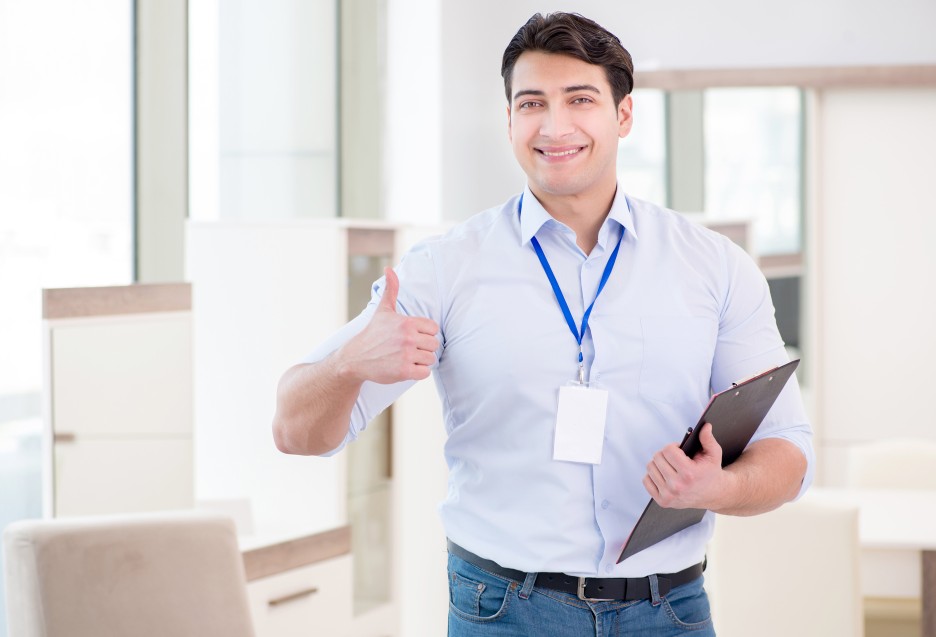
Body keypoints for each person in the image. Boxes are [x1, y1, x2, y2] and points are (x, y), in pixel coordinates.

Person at [273, 11, 814, 636]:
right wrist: (347, 365)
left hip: (668, 611)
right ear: (509, 120)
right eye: (532, 103)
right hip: (503, 611)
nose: (555, 126)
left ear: (624, 115)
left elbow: (789, 451)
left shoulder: (714, 266)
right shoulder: (444, 268)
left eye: (580, 99)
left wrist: (717, 488)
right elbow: (294, 430)